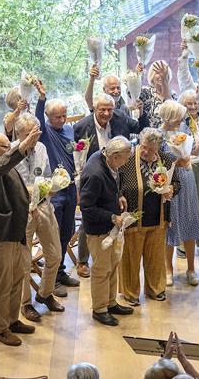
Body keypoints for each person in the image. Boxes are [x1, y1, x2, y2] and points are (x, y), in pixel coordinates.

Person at [0, 129, 41, 347]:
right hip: (0, 234)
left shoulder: (3, 162)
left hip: (15, 232)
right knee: (3, 284)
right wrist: (21, 147)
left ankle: (13, 321)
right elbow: (0, 167)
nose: (11, 149)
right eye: (7, 146)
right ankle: (0, 329)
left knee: (17, 279)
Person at [12, 113, 65, 320]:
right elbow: (11, 186)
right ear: (18, 135)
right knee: (23, 262)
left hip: (44, 206)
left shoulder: (41, 148)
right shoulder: (11, 152)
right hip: (22, 210)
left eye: (35, 133)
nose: (33, 138)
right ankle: (25, 303)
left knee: (55, 255)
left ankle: (44, 294)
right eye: (28, 134)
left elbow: (47, 176)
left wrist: (54, 186)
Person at [79, 136, 134, 326]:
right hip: (98, 229)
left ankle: (110, 303)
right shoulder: (94, 173)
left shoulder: (107, 158)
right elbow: (86, 207)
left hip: (110, 227)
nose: (126, 163)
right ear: (115, 156)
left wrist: (118, 196)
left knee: (112, 265)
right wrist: (112, 217)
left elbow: (113, 181)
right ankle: (100, 309)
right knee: (102, 269)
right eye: (125, 159)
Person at [118, 128, 177, 304]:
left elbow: (176, 182)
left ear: (158, 148)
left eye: (151, 149)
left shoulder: (166, 159)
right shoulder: (128, 158)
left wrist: (172, 190)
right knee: (131, 257)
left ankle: (155, 289)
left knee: (156, 256)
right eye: (144, 147)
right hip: (133, 217)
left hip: (158, 217)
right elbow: (115, 180)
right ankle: (130, 292)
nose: (146, 152)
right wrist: (120, 194)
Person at [34, 80, 81, 288]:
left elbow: (73, 151)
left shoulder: (69, 130)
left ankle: (60, 272)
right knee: (54, 234)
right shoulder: (44, 131)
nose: (61, 120)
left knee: (67, 231)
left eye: (64, 115)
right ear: (48, 117)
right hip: (54, 191)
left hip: (70, 186)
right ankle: (51, 280)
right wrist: (42, 99)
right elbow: (37, 119)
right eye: (57, 116)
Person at [159, 101, 199, 286]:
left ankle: (191, 268)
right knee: (170, 225)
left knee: (190, 220)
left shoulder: (182, 132)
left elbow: (190, 152)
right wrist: (178, 162)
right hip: (168, 182)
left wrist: (188, 157)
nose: (181, 120)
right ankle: (168, 269)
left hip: (187, 179)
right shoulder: (158, 136)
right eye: (178, 117)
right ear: (169, 117)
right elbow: (157, 161)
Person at [178, 90, 199, 255]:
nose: (193, 106)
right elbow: (190, 151)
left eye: (195, 103)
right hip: (187, 166)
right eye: (189, 104)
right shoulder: (180, 122)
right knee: (188, 205)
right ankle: (183, 245)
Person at [138, 61, 175, 128]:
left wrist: (164, 82)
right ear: (152, 75)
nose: (161, 75)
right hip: (150, 134)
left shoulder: (172, 94)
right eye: (158, 73)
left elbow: (173, 112)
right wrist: (138, 74)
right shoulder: (146, 91)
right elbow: (130, 92)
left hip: (169, 133)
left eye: (164, 72)